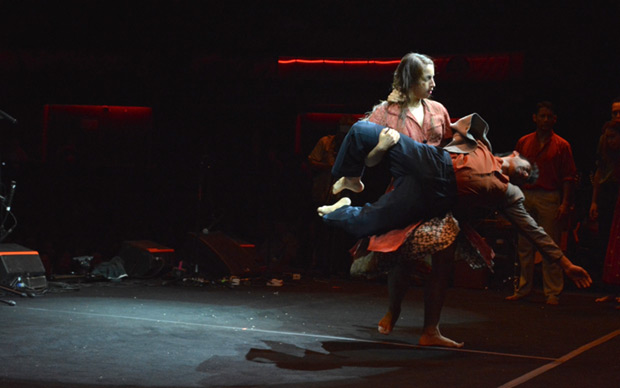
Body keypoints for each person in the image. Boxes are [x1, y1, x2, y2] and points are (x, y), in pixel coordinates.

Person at [318, 116, 592, 290]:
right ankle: (351, 177)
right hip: (433, 164)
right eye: (525, 168)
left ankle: (338, 211)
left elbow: (535, 231)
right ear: (516, 154)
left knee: (369, 222)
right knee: (362, 130)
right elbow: (460, 125)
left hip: (432, 197)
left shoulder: (508, 193)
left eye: (525, 178)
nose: (523, 174)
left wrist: (565, 264)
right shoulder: (481, 145)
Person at [506, 101, 578, 305]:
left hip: (549, 196)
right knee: (524, 245)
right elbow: (515, 169)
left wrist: (565, 203)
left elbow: (568, 177)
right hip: (526, 195)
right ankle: (523, 288)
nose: (545, 120)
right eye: (542, 116)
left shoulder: (562, 145)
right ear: (535, 118)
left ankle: (552, 292)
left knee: (550, 245)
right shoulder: (524, 141)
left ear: (554, 119)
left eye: (549, 116)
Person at [590, 97, 620, 286]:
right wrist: (594, 201)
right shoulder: (606, 137)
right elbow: (600, 170)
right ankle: (609, 286)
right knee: (607, 238)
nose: (617, 116)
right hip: (609, 191)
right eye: (614, 113)